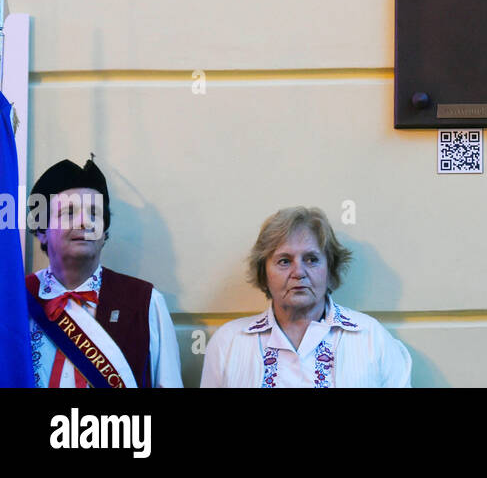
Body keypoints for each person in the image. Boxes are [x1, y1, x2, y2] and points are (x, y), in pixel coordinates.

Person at [201, 207, 411, 387]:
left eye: (311, 259)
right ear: (263, 274)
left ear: (330, 271)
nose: (299, 272)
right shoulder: (227, 344)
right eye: (284, 261)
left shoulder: (372, 338)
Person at [25, 157, 183, 388]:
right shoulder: (17, 300)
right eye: (68, 213)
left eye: (94, 214)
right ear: (42, 232)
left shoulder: (145, 302)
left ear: (104, 233)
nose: (84, 223)